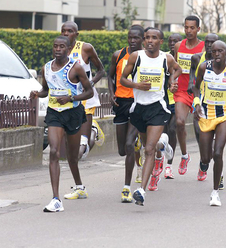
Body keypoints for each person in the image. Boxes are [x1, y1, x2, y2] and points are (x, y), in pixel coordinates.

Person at [30, 36, 93, 212]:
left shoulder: (76, 68)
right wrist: (37, 94)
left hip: (73, 113)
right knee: (54, 152)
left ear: (68, 49)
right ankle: (56, 199)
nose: (58, 49)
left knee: (72, 158)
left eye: (61, 47)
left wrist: (71, 98)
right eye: (55, 46)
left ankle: (80, 187)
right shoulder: (47, 68)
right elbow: (46, 90)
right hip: (54, 114)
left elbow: (89, 92)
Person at [120, 27, 182, 206]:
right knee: (149, 145)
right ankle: (163, 145)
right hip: (139, 108)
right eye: (147, 37)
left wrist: (172, 81)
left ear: (160, 42)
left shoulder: (166, 58)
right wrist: (137, 85)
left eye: (154, 38)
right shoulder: (136, 57)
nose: (149, 41)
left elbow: (177, 70)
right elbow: (123, 79)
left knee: (148, 149)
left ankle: (141, 190)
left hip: (158, 108)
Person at [193, 40, 226, 206]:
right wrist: (196, 103)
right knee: (206, 158)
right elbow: (195, 87)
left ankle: (215, 192)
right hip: (206, 114)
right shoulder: (204, 68)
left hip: (224, 114)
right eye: (214, 51)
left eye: (220, 51)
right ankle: (204, 165)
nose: (216, 54)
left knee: (218, 153)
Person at [108, 25, 145, 203]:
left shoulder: (147, 57)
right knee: (122, 150)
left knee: (129, 145)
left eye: (136, 37)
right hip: (121, 103)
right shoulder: (118, 55)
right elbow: (110, 77)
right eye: (130, 37)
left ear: (143, 39)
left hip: (138, 103)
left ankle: (126, 188)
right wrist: (111, 93)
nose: (132, 40)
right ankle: (137, 144)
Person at [61, 21, 105, 163]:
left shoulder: (85, 48)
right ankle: (93, 128)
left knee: (81, 145)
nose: (66, 33)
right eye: (63, 31)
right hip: (68, 99)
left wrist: (90, 84)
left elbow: (101, 70)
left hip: (86, 98)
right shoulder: (59, 49)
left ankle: (90, 133)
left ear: (76, 34)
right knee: (70, 143)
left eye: (70, 31)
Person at [174, 15, 205, 175]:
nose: (188, 30)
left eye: (192, 28)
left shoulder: (205, 47)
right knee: (179, 122)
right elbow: (174, 67)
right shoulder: (179, 46)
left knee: (200, 132)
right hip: (182, 91)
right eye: (186, 27)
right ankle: (185, 155)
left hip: (199, 92)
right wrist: (172, 81)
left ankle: (203, 162)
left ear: (198, 29)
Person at [188, 33, 219, 182]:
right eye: (207, 42)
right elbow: (192, 82)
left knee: (216, 146)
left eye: (212, 42)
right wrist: (196, 100)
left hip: (219, 107)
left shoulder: (225, 62)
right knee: (201, 137)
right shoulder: (196, 58)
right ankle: (203, 161)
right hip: (200, 102)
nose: (209, 44)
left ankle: (219, 174)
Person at [162, 33, 182, 180]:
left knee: (173, 129)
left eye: (176, 41)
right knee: (163, 133)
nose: (172, 43)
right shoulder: (164, 57)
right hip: (164, 99)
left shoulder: (186, 58)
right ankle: (159, 160)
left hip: (179, 100)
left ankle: (169, 166)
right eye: (171, 41)